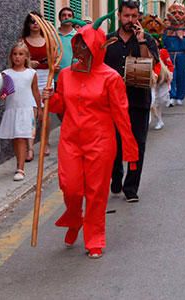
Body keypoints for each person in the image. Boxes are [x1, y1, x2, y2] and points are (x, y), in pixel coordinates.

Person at [43, 19, 138, 259]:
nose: (80, 51)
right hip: (71, 140)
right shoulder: (65, 75)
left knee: (96, 192)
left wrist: (130, 150)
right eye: (77, 46)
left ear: (96, 48)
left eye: (85, 46)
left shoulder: (111, 77)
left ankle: (94, 238)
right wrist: (48, 97)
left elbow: (122, 115)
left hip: (101, 142)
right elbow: (59, 105)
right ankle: (74, 218)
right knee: (71, 187)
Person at [105, 0, 159, 202]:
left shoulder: (147, 39)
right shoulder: (108, 40)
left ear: (139, 17)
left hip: (138, 100)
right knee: (114, 144)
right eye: (126, 15)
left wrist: (142, 40)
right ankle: (116, 176)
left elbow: (151, 63)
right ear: (119, 15)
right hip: (112, 103)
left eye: (134, 16)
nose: (130, 20)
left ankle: (131, 187)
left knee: (137, 144)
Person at [0, 42, 41, 181]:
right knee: (16, 138)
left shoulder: (31, 73)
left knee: (21, 137)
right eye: (15, 54)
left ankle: (20, 168)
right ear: (11, 56)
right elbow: (2, 91)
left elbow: (35, 91)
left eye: (21, 54)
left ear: (26, 56)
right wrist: (2, 94)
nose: (17, 57)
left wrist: (39, 107)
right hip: (12, 109)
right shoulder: (5, 74)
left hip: (27, 107)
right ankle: (19, 162)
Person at [21, 12, 50, 157]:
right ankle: (30, 148)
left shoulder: (48, 39)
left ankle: (45, 142)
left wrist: (53, 65)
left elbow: (55, 57)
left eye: (37, 21)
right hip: (29, 78)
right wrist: (28, 63)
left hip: (46, 78)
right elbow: (17, 58)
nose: (34, 24)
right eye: (31, 21)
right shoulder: (23, 41)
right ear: (27, 24)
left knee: (44, 115)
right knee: (31, 114)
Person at [164, 3, 185, 106]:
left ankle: (180, 96)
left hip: (182, 56)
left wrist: (182, 39)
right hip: (170, 55)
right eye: (174, 13)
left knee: (182, 76)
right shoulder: (167, 31)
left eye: (180, 13)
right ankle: (172, 95)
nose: (176, 15)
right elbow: (163, 43)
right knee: (171, 76)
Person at [150, 37, 174, 130]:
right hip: (151, 80)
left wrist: (169, 75)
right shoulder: (146, 51)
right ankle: (156, 119)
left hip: (162, 78)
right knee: (152, 102)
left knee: (160, 101)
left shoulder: (163, 52)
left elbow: (169, 65)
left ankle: (159, 119)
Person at [56, 7, 77, 81]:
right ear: (59, 18)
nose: (66, 17)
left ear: (73, 19)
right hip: (55, 77)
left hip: (72, 77)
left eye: (69, 15)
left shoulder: (78, 36)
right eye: (64, 15)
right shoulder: (52, 34)